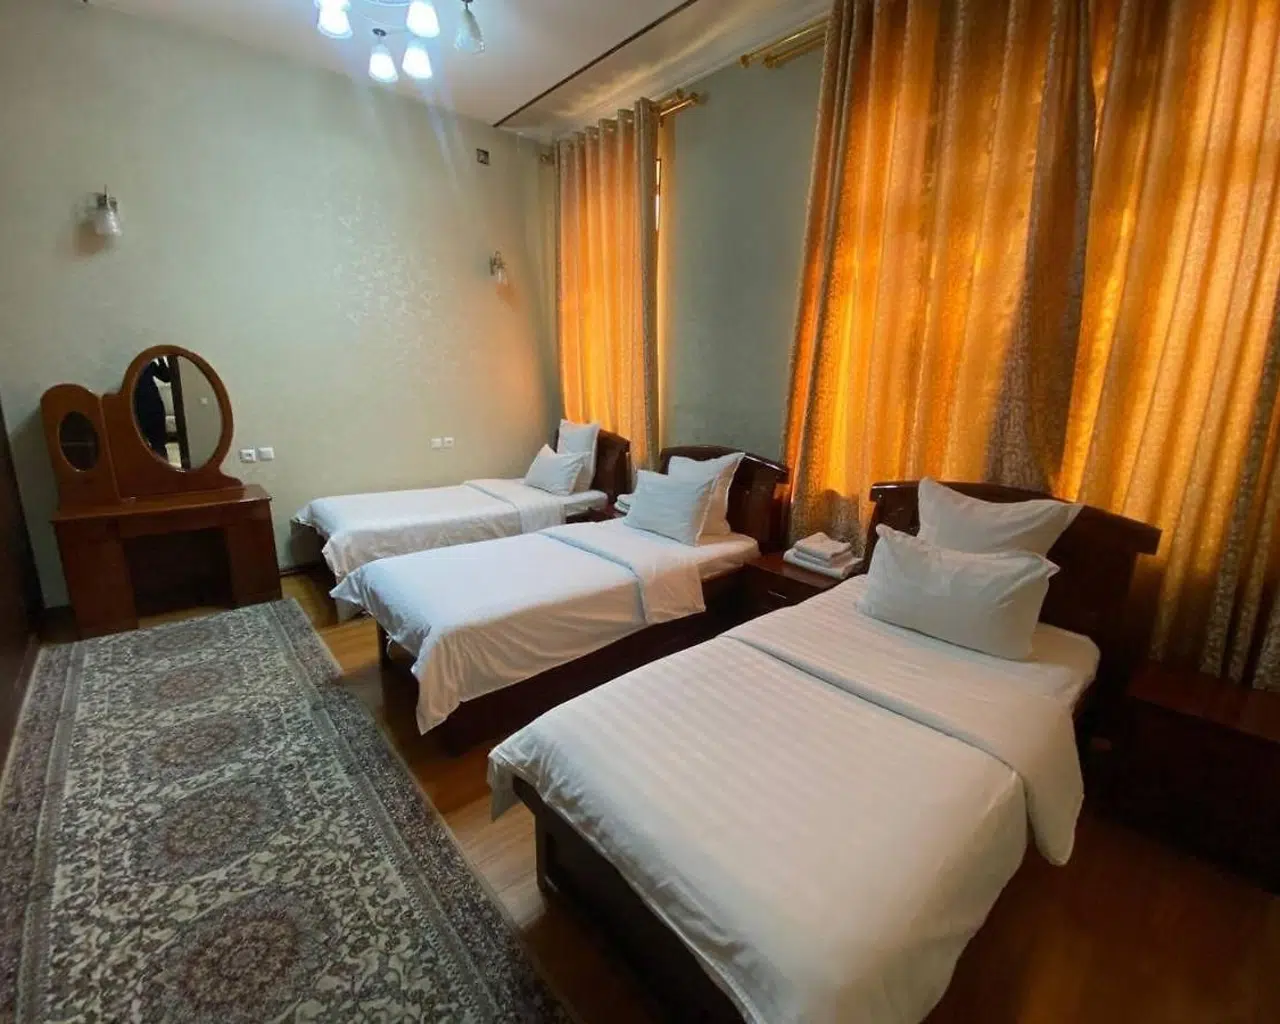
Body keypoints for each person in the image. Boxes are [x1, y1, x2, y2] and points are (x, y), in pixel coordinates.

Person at [133, 357, 172, 457]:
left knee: (158, 444)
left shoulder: (148, 363)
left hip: (154, 407)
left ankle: (162, 465)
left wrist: (160, 359)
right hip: (137, 408)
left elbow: (167, 378)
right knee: (141, 444)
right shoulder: (129, 366)